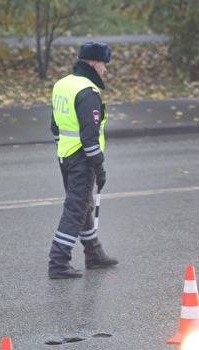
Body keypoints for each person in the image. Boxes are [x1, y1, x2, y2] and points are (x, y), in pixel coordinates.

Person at [48, 42, 119, 279]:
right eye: (104, 65)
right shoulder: (88, 92)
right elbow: (90, 138)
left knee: (83, 203)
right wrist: (99, 168)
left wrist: (62, 150)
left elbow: (54, 125)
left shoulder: (63, 84)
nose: (106, 71)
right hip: (81, 157)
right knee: (76, 208)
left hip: (66, 154)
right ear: (95, 63)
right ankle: (58, 261)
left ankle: (93, 253)